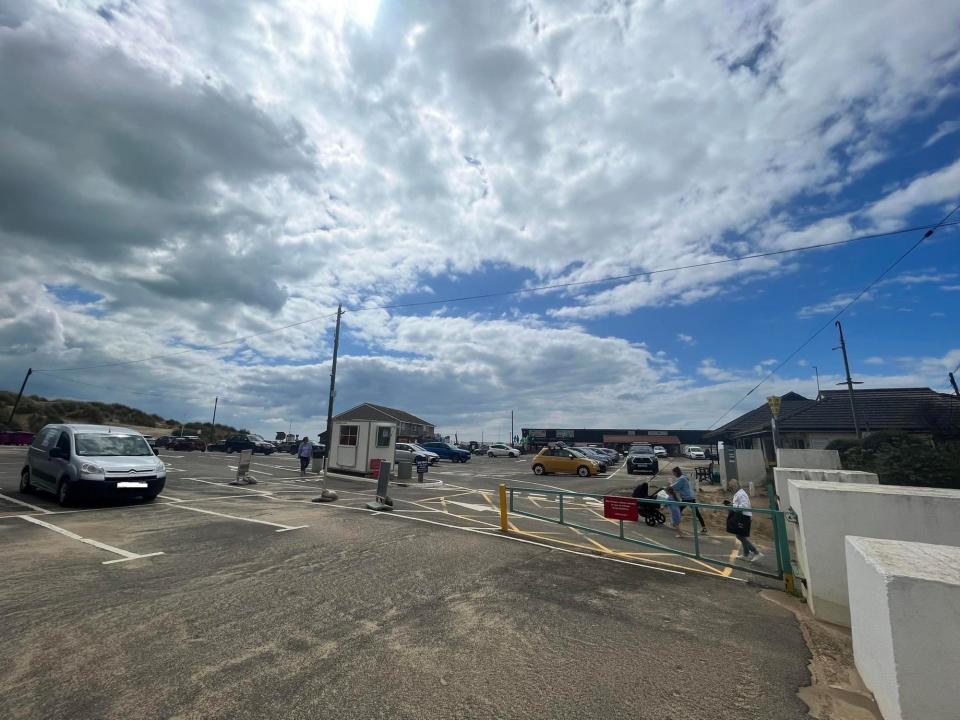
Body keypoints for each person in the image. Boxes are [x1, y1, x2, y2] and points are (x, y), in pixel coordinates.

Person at [725, 480, 764, 562]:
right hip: (742, 516)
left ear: (735, 487)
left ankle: (756, 552)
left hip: (744, 517)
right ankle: (746, 554)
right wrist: (732, 504)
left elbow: (744, 506)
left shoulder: (741, 494)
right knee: (741, 535)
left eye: (731, 488)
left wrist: (733, 506)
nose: (731, 490)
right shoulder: (739, 493)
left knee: (740, 536)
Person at [669, 466, 708, 535]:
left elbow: (675, 487)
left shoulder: (681, 479)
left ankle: (675, 524)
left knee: (678, 510)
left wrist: (668, 487)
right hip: (691, 497)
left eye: (673, 473)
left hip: (687, 498)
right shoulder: (684, 477)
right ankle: (704, 527)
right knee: (697, 513)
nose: (673, 475)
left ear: (676, 472)